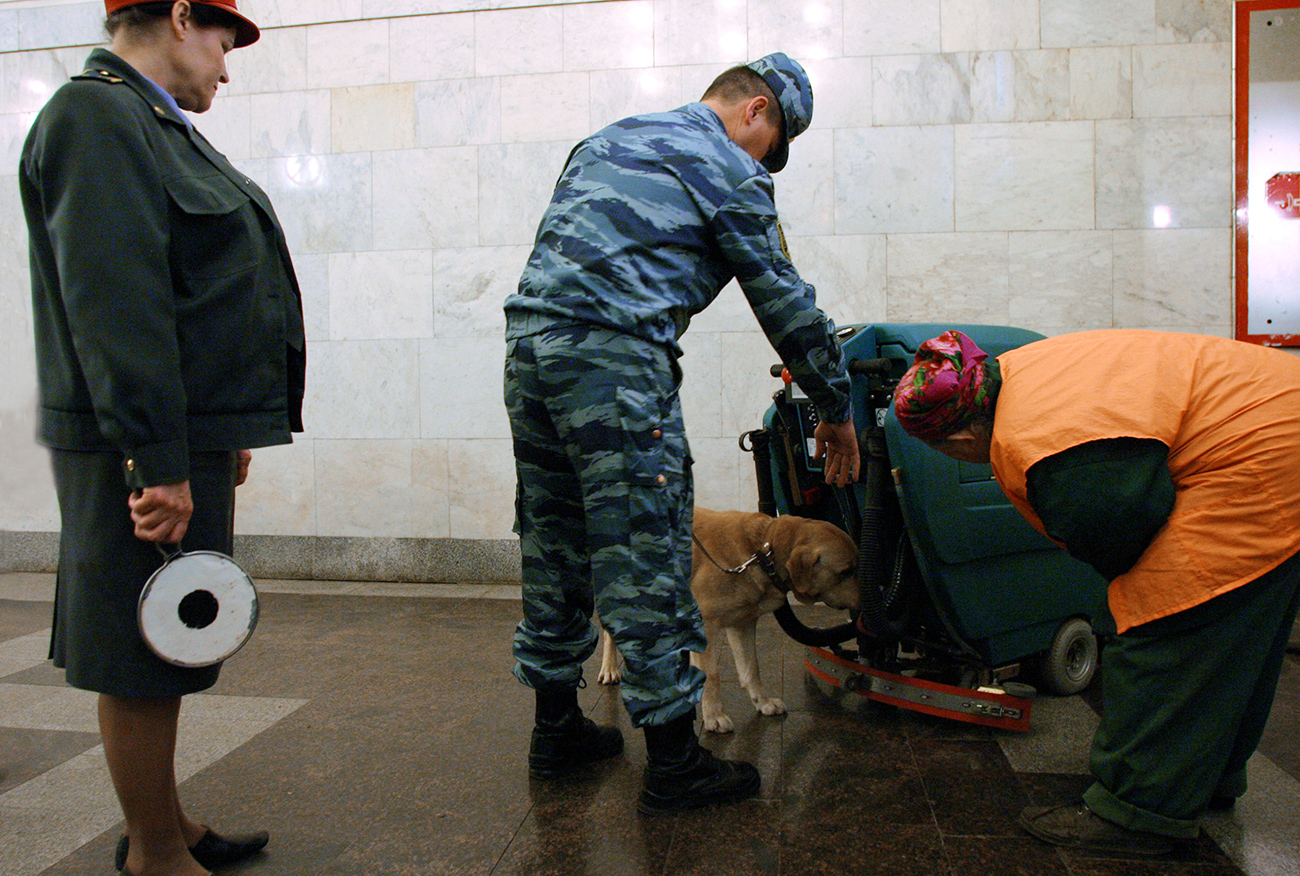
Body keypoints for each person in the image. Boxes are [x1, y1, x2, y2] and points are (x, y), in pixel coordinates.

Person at [503, 53, 860, 814]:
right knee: (646, 547)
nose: (768, 164)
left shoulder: (607, 138)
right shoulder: (729, 165)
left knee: (553, 538)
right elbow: (786, 304)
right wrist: (835, 409)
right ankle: (673, 761)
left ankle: (556, 729)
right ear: (756, 111)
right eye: (774, 145)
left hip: (529, 352)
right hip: (614, 358)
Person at [19, 2, 306, 874]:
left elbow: (192, 293)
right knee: (141, 651)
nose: (227, 66)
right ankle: (152, 853)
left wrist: (224, 426)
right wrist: (157, 459)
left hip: (176, 436)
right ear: (182, 17)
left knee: (168, 642)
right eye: (224, 42)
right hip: (133, 448)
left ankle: (165, 823)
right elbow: (117, 305)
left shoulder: (147, 122)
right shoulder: (95, 116)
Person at [892, 329, 1300, 856]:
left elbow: (1120, 528)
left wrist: (1126, 601)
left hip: (1263, 456)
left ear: (960, 439)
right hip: (1277, 423)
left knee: (1167, 624)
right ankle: (1198, 781)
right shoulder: (1015, 371)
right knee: (1235, 632)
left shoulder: (1034, 434)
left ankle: (1137, 813)